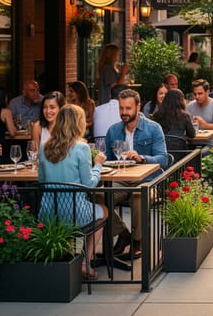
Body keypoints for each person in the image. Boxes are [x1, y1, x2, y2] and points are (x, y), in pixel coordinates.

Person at [37, 104, 107, 279]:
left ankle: (69, 256)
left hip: (48, 211)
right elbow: (90, 184)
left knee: (85, 212)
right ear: (79, 123)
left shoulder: (44, 146)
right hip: (75, 211)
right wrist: (98, 164)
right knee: (104, 211)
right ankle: (85, 262)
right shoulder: (81, 148)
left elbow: (41, 180)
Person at [104, 89, 168, 258]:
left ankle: (137, 241)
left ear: (138, 107)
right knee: (97, 196)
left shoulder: (153, 128)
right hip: (121, 179)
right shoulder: (113, 131)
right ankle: (123, 233)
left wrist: (141, 158)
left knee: (140, 195)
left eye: (128, 108)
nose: (124, 113)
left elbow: (163, 159)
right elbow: (107, 161)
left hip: (147, 179)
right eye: (121, 108)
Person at [187, 79, 213, 149]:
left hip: (210, 144)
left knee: (200, 154)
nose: (197, 97)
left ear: (207, 92)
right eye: (195, 94)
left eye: (200, 93)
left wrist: (204, 125)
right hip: (191, 143)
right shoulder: (189, 106)